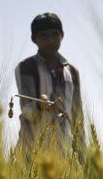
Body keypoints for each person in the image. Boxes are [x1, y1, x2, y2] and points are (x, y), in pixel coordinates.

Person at [14, 12, 84, 154]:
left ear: (62, 35)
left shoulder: (72, 72)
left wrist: (82, 151)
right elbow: (27, 110)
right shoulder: (26, 67)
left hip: (65, 151)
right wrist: (40, 105)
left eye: (54, 34)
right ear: (34, 39)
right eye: (44, 36)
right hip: (32, 151)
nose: (50, 40)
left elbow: (78, 117)